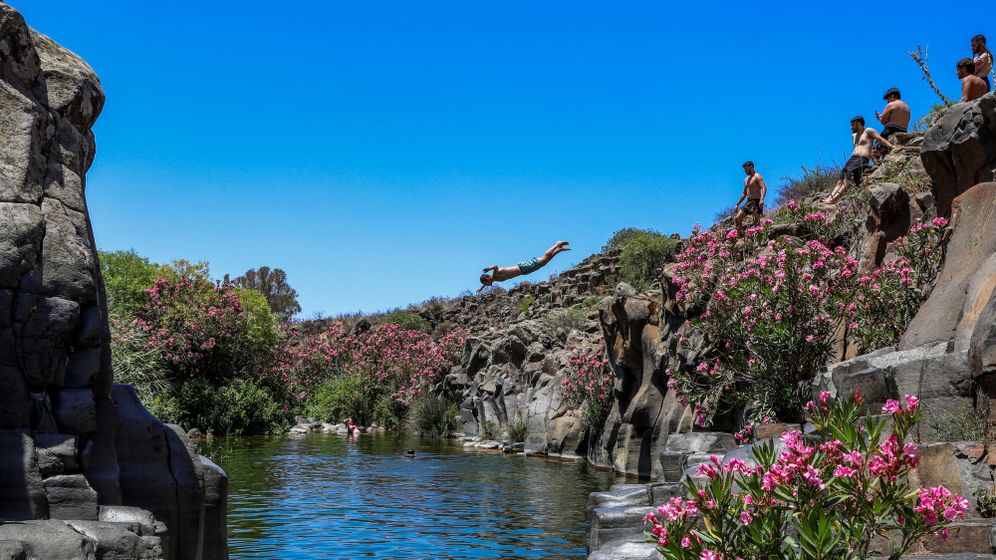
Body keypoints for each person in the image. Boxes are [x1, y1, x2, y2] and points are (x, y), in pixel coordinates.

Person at [822, 116, 894, 204]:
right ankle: (830, 197)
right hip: (851, 159)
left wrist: (891, 146)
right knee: (840, 180)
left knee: (848, 179)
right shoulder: (854, 136)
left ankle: (834, 199)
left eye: (853, 125)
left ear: (859, 124)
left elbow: (880, 139)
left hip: (862, 159)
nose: (851, 127)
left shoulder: (868, 131)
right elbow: (856, 148)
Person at [478, 241, 570, 292]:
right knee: (544, 263)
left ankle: (557, 244)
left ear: (488, 279)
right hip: (524, 272)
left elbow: (495, 266)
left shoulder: (495, 275)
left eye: (486, 284)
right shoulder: (494, 279)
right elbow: (487, 282)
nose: (487, 285)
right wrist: (481, 288)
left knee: (543, 259)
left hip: (522, 267)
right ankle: (559, 250)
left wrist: (488, 268)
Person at [733, 161, 767, 229]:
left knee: (756, 223)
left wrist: (762, 199)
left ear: (751, 167)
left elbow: (764, 188)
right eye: (744, 169)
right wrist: (737, 204)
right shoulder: (746, 179)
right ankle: (740, 235)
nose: (745, 171)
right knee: (737, 218)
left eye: (746, 169)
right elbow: (744, 194)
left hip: (756, 201)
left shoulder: (757, 176)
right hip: (749, 202)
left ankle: (761, 234)